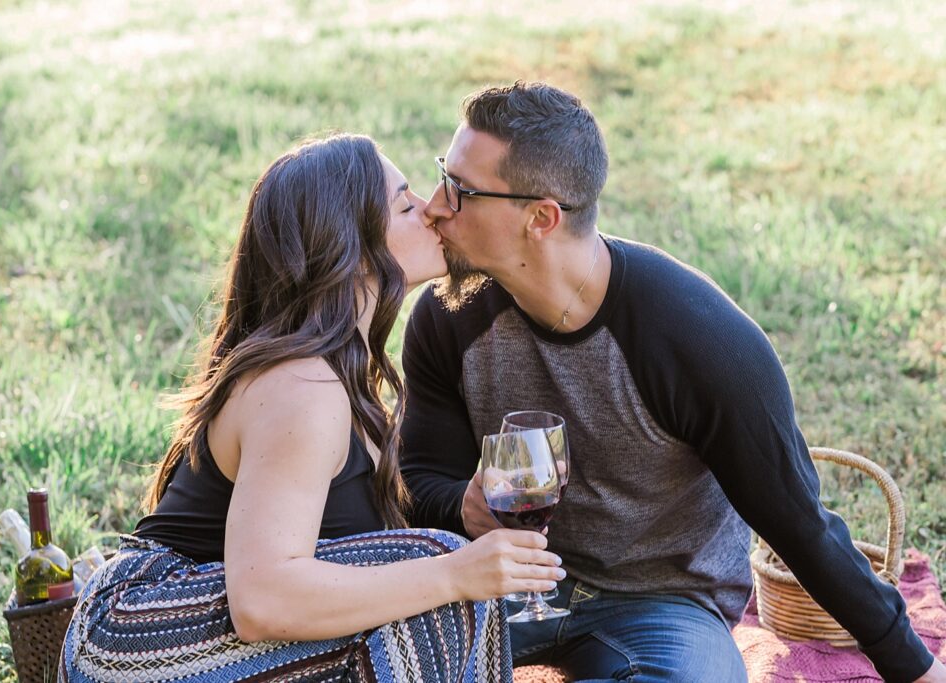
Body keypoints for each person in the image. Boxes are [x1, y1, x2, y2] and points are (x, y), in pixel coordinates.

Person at [400, 82, 946, 683]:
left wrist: (913, 667)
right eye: (441, 177)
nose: (434, 205)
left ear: (541, 217)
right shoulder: (447, 315)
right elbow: (420, 477)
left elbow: (799, 523)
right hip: (496, 584)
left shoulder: (698, 338)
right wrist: (464, 506)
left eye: (462, 191)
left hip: (658, 603)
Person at [59, 134, 566, 683]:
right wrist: (453, 570)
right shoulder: (301, 387)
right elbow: (264, 601)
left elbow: (353, 565)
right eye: (403, 204)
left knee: (431, 572)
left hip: (201, 640)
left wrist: (459, 537)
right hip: (134, 639)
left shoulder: (338, 372)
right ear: (348, 246)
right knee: (435, 568)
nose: (431, 209)